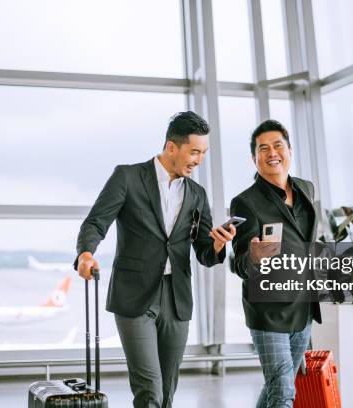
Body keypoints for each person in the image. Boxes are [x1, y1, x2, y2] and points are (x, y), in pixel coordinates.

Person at [74, 111, 236, 408]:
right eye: (194, 151)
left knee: (167, 391)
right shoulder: (128, 177)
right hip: (135, 295)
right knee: (150, 390)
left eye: (204, 153)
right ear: (171, 147)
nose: (199, 159)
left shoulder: (196, 193)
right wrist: (86, 254)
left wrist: (216, 244)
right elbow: (95, 223)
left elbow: (203, 250)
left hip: (176, 299)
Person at [230, 119, 322, 407]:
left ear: (290, 150)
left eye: (278, 145)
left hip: (302, 308)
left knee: (278, 385)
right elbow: (239, 264)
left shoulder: (306, 189)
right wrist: (252, 257)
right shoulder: (245, 202)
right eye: (263, 148)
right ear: (254, 158)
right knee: (283, 389)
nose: (272, 153)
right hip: (268, 312)